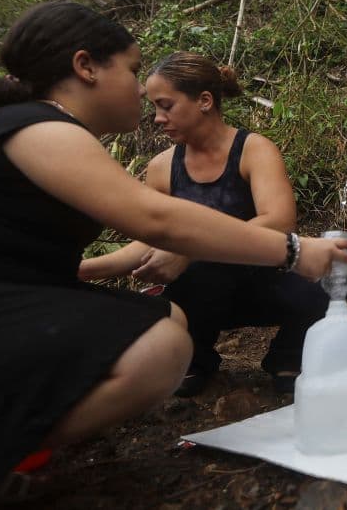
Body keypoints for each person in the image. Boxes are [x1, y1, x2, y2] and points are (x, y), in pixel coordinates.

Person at [0, 1, 347, 510]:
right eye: (133, 70)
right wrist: (291, 250)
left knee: (168, 318)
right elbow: (156, 222)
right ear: (85, 66)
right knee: (157, 346)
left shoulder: (43, 129)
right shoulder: (39, 128)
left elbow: (14, 250)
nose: (141, 91)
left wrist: (81, 272)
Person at [79, 52, 329, 396]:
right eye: (154, 108)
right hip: (200, 296)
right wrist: (84, 270)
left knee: (320, 291)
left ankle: (288, 357)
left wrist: (191, 251)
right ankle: (195, 361)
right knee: (187, 284)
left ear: (205, 101)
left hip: (262, 283)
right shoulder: (162, 167)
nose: (157, 118)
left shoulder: (253, 150)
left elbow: (279, 221)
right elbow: (148, 238)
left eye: (166, 106)